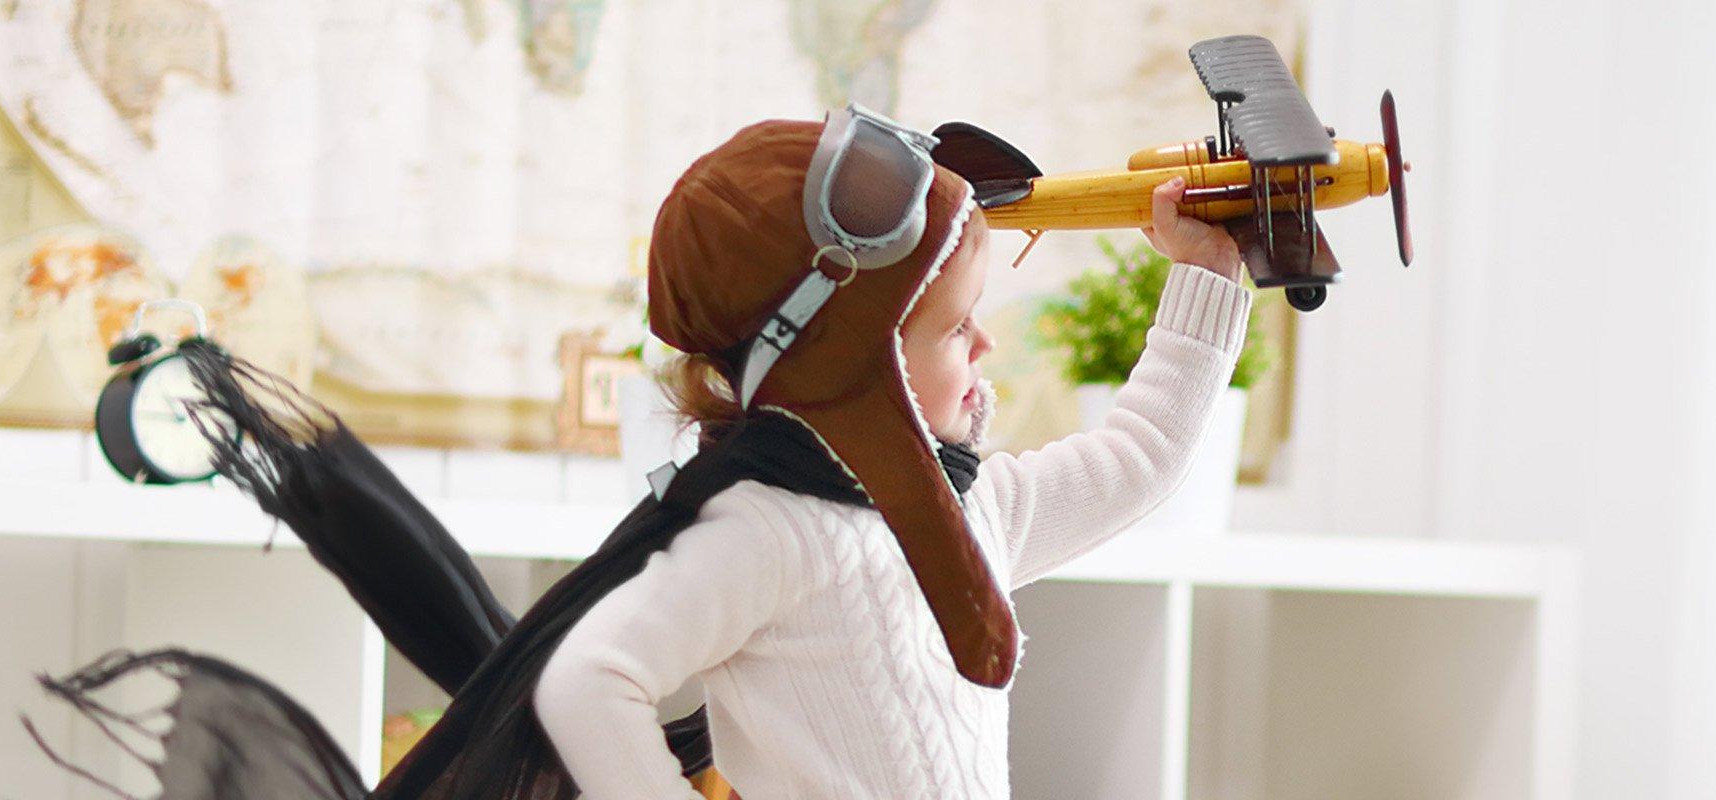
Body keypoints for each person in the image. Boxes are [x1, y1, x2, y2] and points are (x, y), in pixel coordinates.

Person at [530, 107, 1257, 799]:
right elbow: (588, 681)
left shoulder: (969, 510)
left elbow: (1145, 455)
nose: (986, 343)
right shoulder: (769, 532)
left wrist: (1209, 270)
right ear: (850, 362)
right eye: (956, 327)